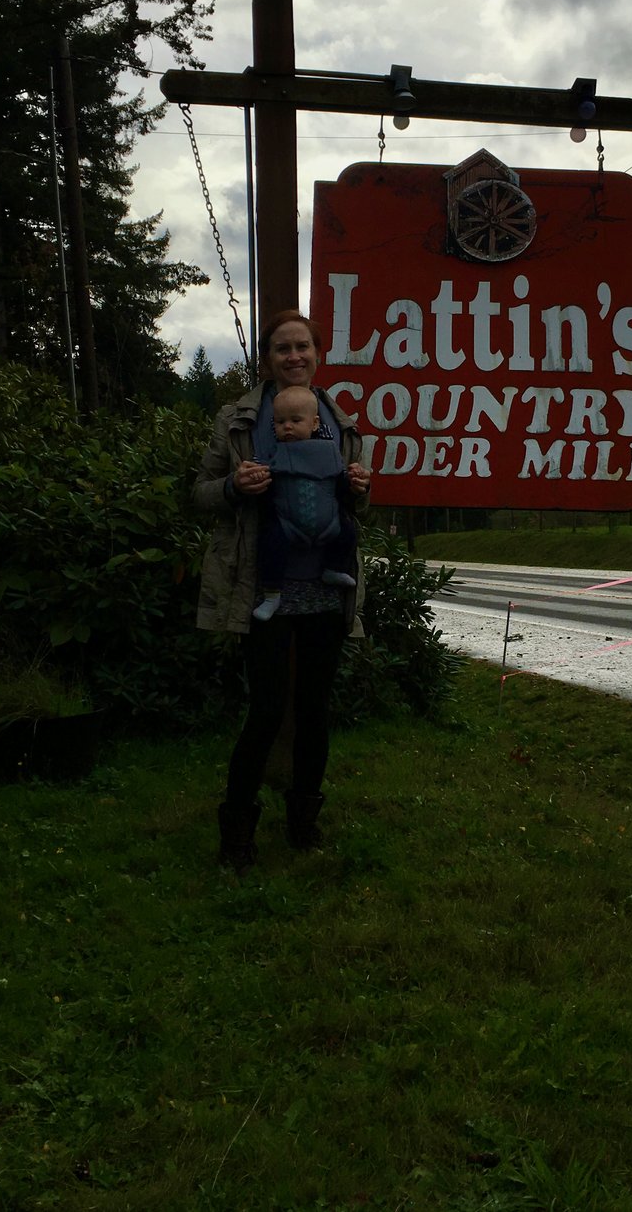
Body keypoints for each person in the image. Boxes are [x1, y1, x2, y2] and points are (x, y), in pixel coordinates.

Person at [191, 309, 371, 873]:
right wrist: (232, 485)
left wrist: (361, 488)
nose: (293, 357)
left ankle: (303, 823)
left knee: (315, 711)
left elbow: (352, 505)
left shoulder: (339, 421)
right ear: (266, 359)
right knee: (266, 711)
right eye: (281, 349)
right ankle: (237, 831)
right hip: (262, 589)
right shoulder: (238, 419)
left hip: (325, 589)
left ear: (317, 355)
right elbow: (198, 494)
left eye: (303, 347)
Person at [252, 385, 357, 622]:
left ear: (315, 423)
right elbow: (265, 484)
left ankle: (334, 567)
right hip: (287, 524)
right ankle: (272, 594)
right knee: (270, 542)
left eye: (295, 420)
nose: (287, 426)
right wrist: (255, 478)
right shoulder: (276, 453)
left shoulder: (331, 450)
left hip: (329, 523)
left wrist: (354, 482)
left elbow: (343, 489)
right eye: (280, 422)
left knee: (348, 531)